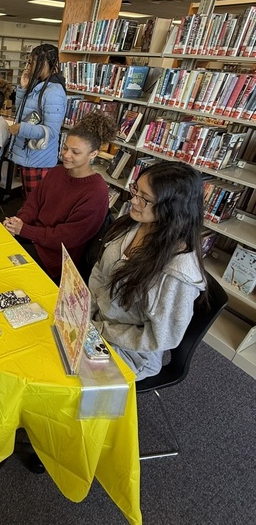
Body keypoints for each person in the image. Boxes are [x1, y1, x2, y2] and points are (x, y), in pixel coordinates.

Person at [89, 161, 207, 379]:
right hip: (97, 322)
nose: (133, 200)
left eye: (145, 199)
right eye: (136, 190)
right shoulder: (132, 225)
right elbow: (100, 270)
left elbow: (160, 338)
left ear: (172, 208)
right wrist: (86, 311)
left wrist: (101, 329)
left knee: (62, 374)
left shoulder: (178, 273)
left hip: (130, 351)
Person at [4, 111, 116, 282]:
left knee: (3, 268)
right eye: (65, 148)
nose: (66, 155)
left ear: (93, 154)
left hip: (55, 257)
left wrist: (24, 230)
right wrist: (18, 222)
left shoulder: (96, 192)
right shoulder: (56, 172)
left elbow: (67, 238)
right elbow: (33, 203)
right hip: (32, 236)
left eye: (75, 152)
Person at [7, 43, 66, 199]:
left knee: (34, 202)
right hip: (29, 155)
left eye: (32, 63)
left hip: (39, 159)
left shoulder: (54, 92)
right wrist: (23, 88)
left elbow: (51, 132)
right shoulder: (39, 85)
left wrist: (21, 129)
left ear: (45, 63)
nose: (28, 67)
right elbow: (22, 111)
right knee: (28, 199)